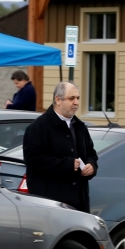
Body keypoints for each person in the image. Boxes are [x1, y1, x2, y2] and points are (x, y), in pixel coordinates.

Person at [22, 82, 98, 213]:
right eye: (71, 98)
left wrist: (91, 165)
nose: (76, 103)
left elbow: (91, 152)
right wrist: (67, 165)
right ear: (58, 100)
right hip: (51, 204)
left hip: (79, 203)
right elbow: (33, 159)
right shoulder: (38, 128)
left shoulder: (80, 127)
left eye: (78, 98)